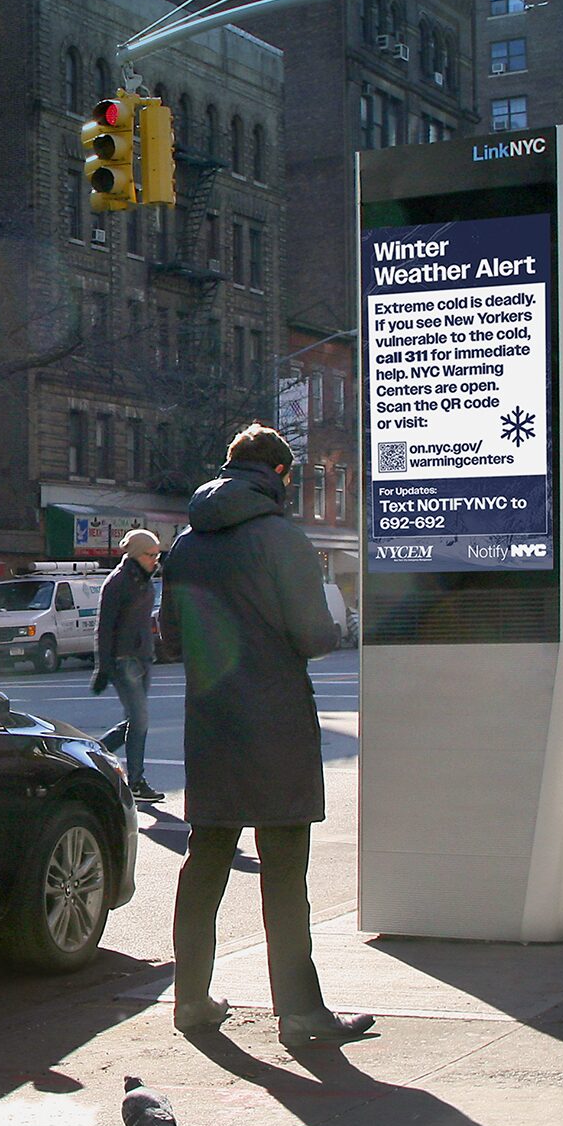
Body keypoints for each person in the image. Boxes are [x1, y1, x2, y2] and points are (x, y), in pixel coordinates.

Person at [160, 424, 371, 1047]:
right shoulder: (284, 539)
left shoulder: (187, 544)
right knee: (283, 871)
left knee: (206, 863)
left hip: (212, 722)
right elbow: (312, 637)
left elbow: (171, 639)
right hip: (275, 722)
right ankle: (301, 1015)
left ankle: (191, 1001)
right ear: (280, 475)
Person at [96, 528, 164, 802]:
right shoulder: (117, 582)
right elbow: (104, 628)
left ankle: (94, 751)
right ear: (136, 554)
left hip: (144, 656)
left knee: (136, 720)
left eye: (157, 555)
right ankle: (135, 781)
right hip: (123, 660)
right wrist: (103, 666)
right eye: (150, 555)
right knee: (140, 719)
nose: (155, 560)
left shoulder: (145, 580)